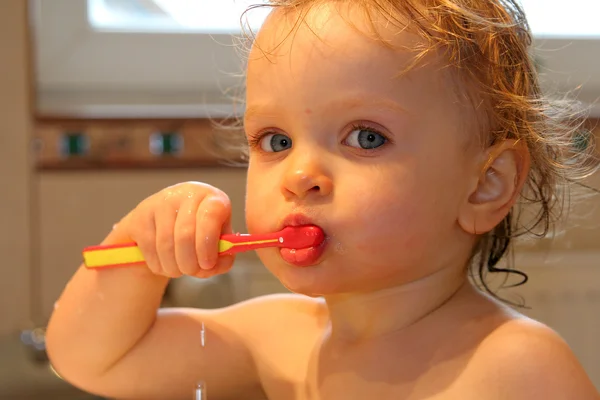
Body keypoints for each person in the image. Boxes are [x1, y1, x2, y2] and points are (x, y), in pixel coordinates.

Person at [46, 1, 600, 399]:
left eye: (366, 137)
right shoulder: (281, 338)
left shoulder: (517, 368)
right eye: (276, 142)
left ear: (485, 184)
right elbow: (93, 361)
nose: (299, 174)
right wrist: (139, 251)